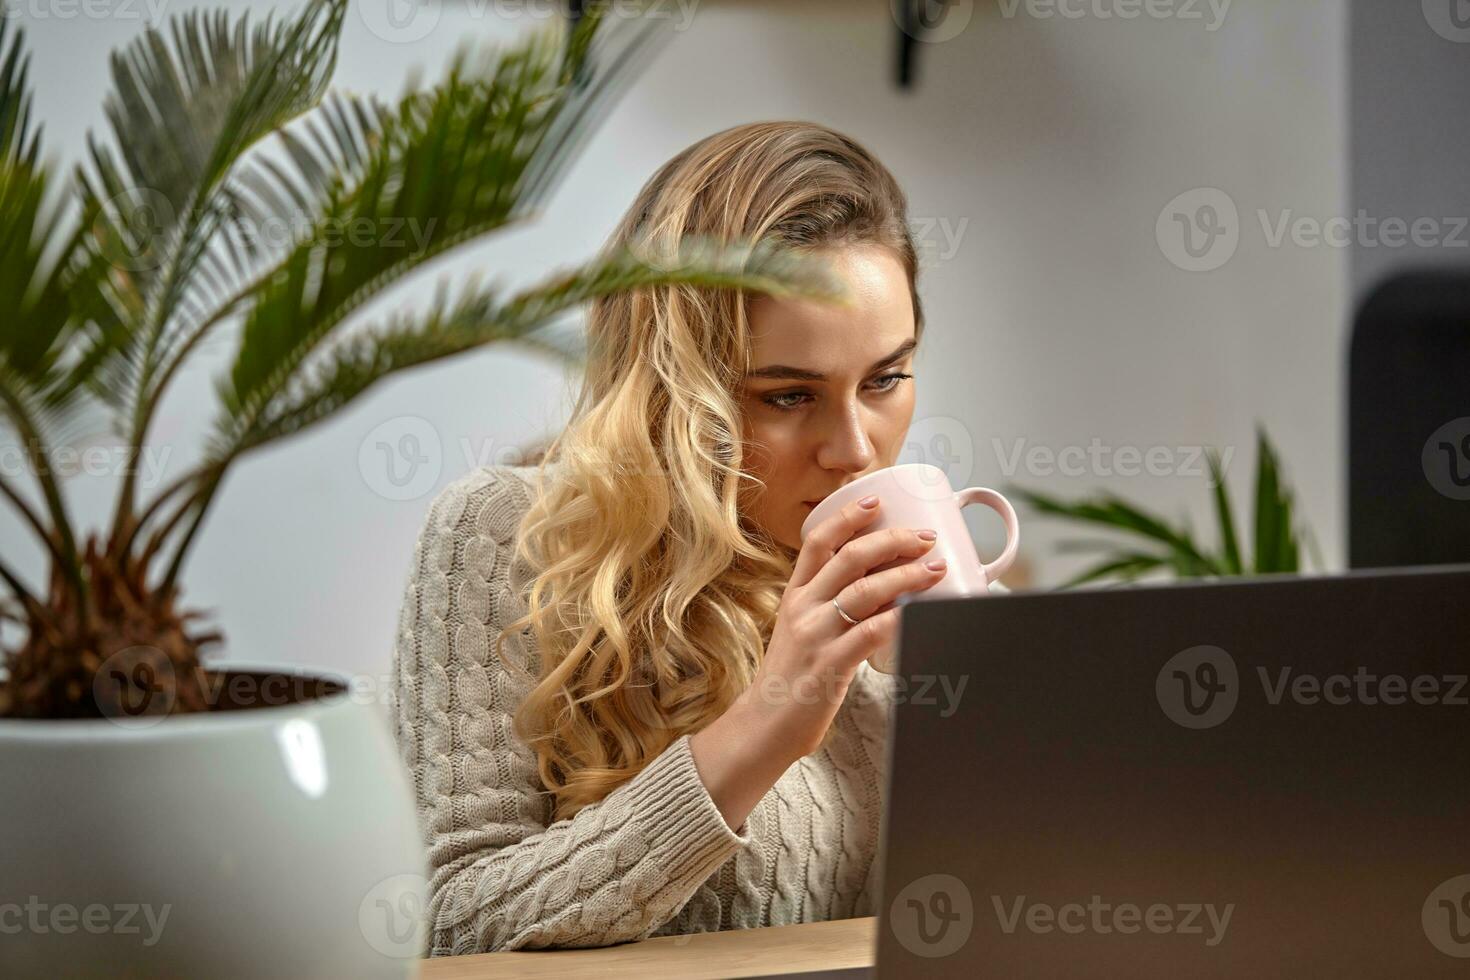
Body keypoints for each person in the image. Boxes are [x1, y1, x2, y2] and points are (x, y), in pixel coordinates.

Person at [388, 119, 1002, 955]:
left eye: (887, 379)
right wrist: (767, 722)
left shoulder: (928, 591)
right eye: (788, 396)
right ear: (679, 391)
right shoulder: (505, 536)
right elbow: (453, 922)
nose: (854, 448)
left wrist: (990, 725)